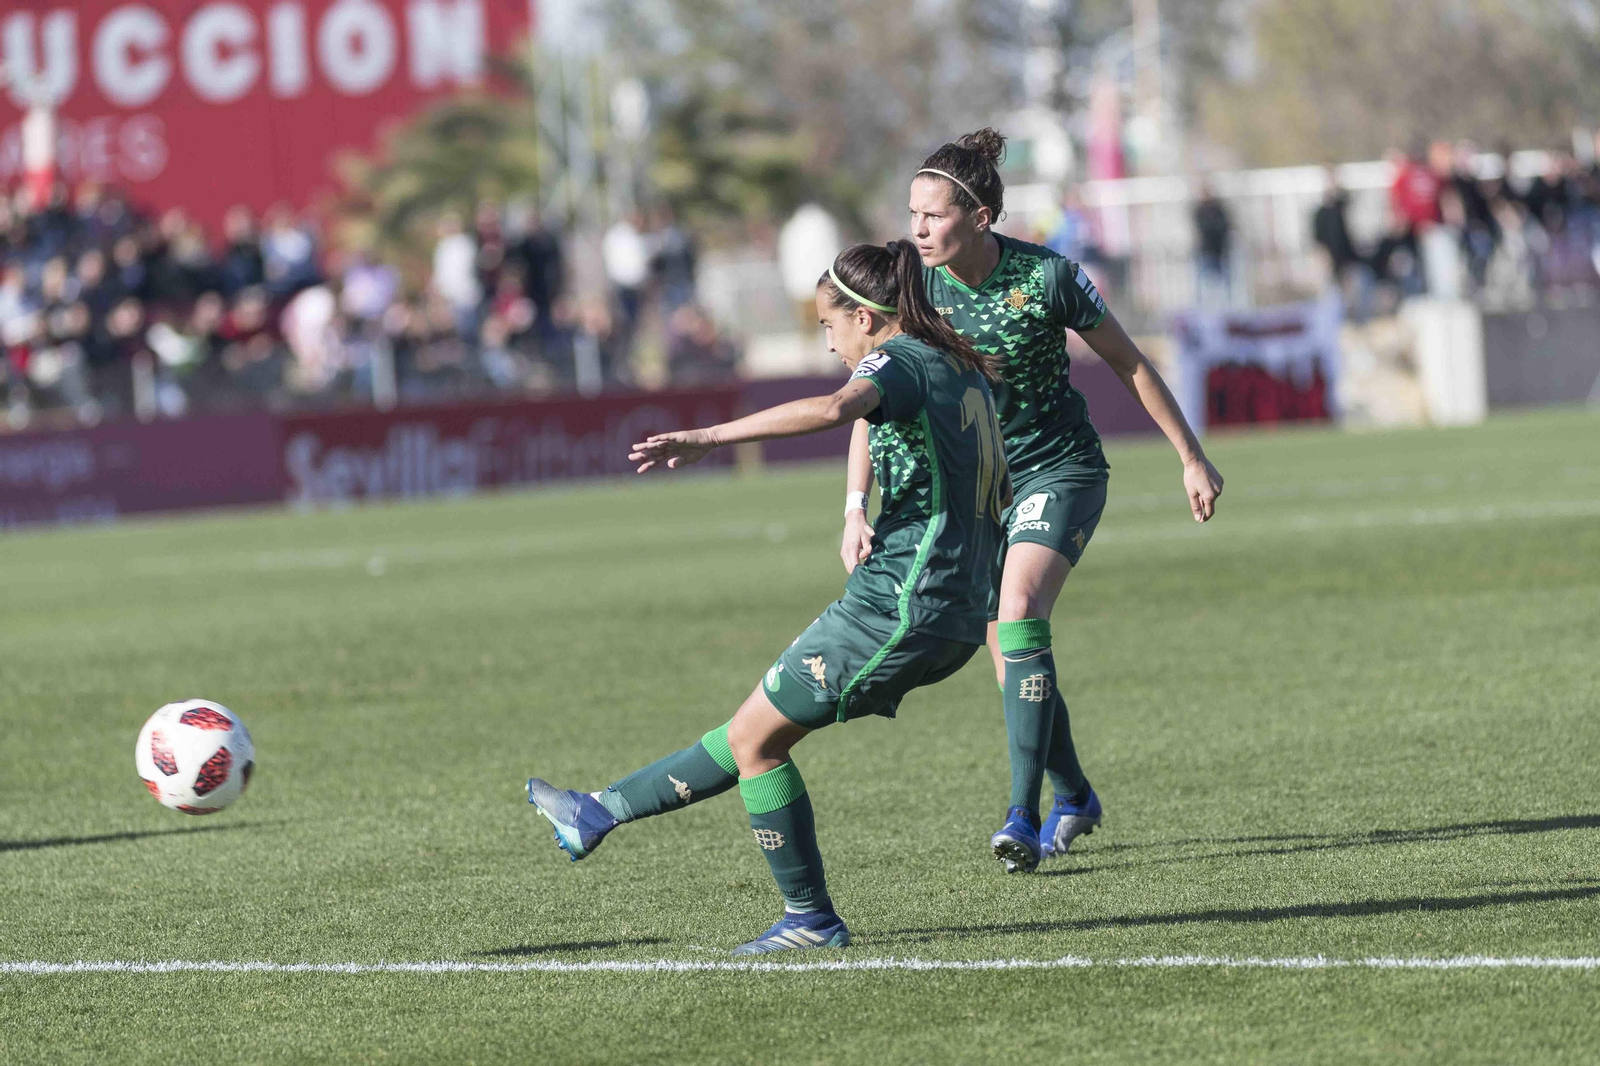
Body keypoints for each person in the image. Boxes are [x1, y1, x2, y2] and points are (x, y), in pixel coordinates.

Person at [526, 240, 1011, 954]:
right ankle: (594, 811)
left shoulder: (895, 361)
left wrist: (710, 436)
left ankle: (809, 919)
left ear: (868, 319)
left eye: (828, 324)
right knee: (751, 732)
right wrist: (857, 509)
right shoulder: (959, 364)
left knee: (755, 741)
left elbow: (836, 408)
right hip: (953, 607)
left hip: (900, 604)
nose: (829, 339)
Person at [845, 128, 1223, 874]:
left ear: (980, 218)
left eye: (933, 215)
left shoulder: (1048, 278)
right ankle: (1075, 793)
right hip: (984, 490)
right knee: (1008, 652)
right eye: (912, 213)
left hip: (1061, 471)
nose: (917, 228)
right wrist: (855, 505)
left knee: (1016, 614)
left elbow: (1130, 364)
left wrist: (1191, 457)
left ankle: (1022, 817)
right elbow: (870, 391)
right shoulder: (911, 285)